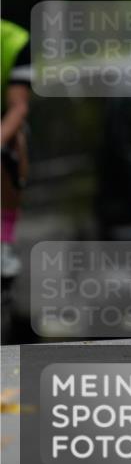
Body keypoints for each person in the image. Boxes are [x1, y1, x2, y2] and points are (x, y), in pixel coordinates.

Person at [1, 19, 31, 279]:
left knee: (14, 141)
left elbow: (18, 106)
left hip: (3, 119)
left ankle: (4, 240)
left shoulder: (14, 41)